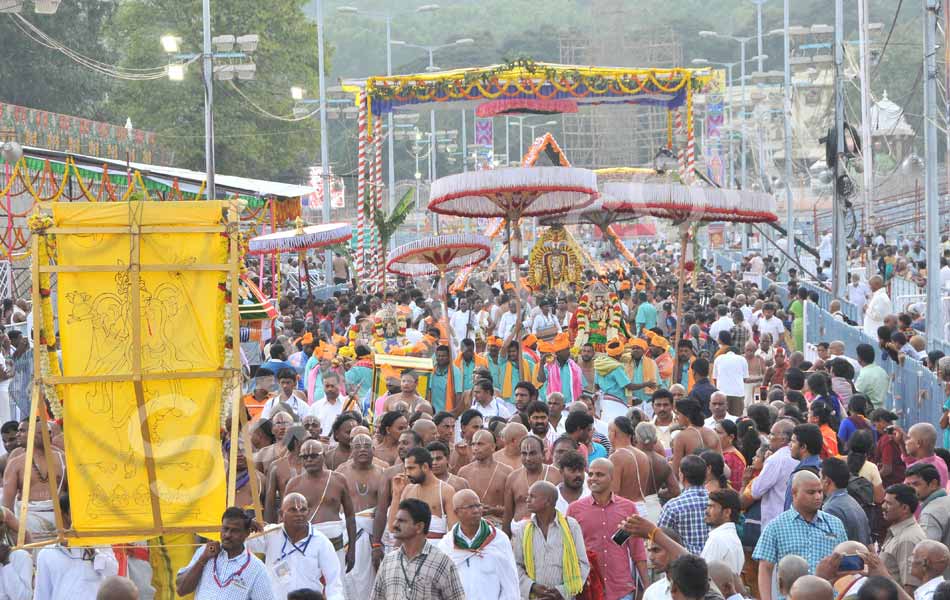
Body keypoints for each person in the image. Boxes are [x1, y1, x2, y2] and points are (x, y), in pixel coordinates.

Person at [753, 471, 848, 600]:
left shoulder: (835, 524)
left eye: (820, 491)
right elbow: (765, 568)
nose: (818, 497)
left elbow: (845, 565)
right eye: (811, 492)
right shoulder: (776, 526)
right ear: (794, 493)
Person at [567, 458, 648, 600]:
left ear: (612, 477)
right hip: (588, 589)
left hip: (621, 590)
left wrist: (647, 587)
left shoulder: (628, 508)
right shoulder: (574, 509)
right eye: (591, 474)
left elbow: (638, 551)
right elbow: (568, 550)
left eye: (599, 474)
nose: (593, 479)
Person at [246, 493, 343, 600]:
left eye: (303, 510)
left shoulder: (321, 542)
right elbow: (239, 546)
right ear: (281, 514)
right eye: (293, 510)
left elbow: (334, 583)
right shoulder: (270, 535)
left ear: (309, 512)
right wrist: (244, 526)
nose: (299, 514)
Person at [284, 439, 356, 574]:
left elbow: (350, 515)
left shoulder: (338, 480)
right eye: (305, 457)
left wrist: (352, 549)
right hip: (305, 546)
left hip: (336, 546)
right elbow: (284, 520)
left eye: (314, 456)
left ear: (323, 456)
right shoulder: (294, 484)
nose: (309, 460)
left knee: (334, 587)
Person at [371, 498, 466, 600]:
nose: (394, 525)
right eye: (396, 520)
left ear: (419, 527)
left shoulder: (442, 563)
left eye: (401, 521)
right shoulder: (388, 562)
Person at [512, 480, 590, 600]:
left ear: (547, 501)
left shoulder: (570, 526)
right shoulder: (524, 529)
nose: (527, 500)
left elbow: (582, 564)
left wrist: (562, 592)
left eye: (532, 496)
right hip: (533, 596)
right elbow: (516, 565)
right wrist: (532, 586)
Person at [437, 488, 520, 600]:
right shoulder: (446, 545)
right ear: (456, 512)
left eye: (478, 505)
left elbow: (510, 584)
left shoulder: (499, 540)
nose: (476, 510)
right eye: (470, 507)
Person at [176, 507, 272, 599]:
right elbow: (181, 590)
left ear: (246, 533)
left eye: (234, 531)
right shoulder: (205, 552)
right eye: (225, 529)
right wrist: (203, 559)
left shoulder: (257, 569)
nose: (227, 535)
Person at [333, 433, 383, 600]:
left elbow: (385, 508)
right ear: (351, 451)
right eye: (357, 446)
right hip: (348, 534)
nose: (362, 449)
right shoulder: (341, 472)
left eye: (366, 446)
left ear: (374, 450)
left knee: (374, 581)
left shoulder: (383, 472)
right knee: (347, 578)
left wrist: (377, 543)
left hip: (373, 533)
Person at [502, 434, 561, 536]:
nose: (528, 458)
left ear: (543, 454)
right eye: (524, 453)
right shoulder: (513, 478)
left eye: (533, 453)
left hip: (549, 534)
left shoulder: (556, 475)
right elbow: (507, 514)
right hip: (519, 535)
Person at [750, 419, 798, 529]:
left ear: (783, 439)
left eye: (771, 434)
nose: (768, 438)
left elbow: (756, 491)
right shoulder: (799, 455)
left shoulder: (776, 459)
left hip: (775, 522)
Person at [458, 429, 512, 527]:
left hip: (497, 525)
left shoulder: (506, 472)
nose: (475, 448)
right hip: (470, 526)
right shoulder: (464, 472)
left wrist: (494, 510)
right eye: (473, 444)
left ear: (492, 447)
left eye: (480, 444)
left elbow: (513, 507)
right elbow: (458, 505)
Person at [658, 455, 710, 555]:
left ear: (682, 475)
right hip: (713, 560)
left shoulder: (672, 506)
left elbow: (660, 538)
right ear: (706, 475)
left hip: (685, 564)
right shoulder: (716, 502)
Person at [880, 484, 927, 593]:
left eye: (888, 503)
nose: (883, 506)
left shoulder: (907, 540)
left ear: (905, 508)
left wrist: (880, 572)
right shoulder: (899, 532)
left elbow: (910, 590)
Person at [820, 457, 872, 545]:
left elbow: (830, 544)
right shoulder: (852, 502)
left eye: (820, 477)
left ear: (827, 481)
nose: (819, 480)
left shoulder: (831, 508)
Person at [905, 463, 950, 548]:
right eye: (908, 485)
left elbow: (927, 550)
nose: (910, 490)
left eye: (916, 484)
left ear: (933, 484)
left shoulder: (930, 513)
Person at [701, 488, 744, 577]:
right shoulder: (732, 537)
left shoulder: (717, 539)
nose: (706, 511)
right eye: (707, 506)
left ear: (727, 512)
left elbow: (703, 575)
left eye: (711, 507)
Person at [783, 423, 824, 510]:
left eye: (793, 441)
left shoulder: (798, 477)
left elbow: (789, 512)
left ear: (803, 447)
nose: (789, 445)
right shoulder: (825, 469)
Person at [643, 527, 684, 600]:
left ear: (674, 550)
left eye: (656, 550)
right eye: (649, 551)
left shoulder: (698, 589)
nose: (651, 557)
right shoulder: (651, 593)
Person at [712, 332, 748, 416]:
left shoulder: (718, 358)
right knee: (736, 419)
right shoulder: (742, 359)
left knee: (721, 418)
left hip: (721, 393)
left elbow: (714, 379)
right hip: (738, 394)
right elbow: (745, 379)